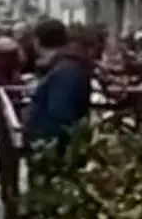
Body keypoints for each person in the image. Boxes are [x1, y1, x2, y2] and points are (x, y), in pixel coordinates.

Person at [25, 18, 92, 147]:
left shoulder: (65, 69)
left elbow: (61, 115)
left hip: (51, 146)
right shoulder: (66, 65)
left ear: (37, 41)